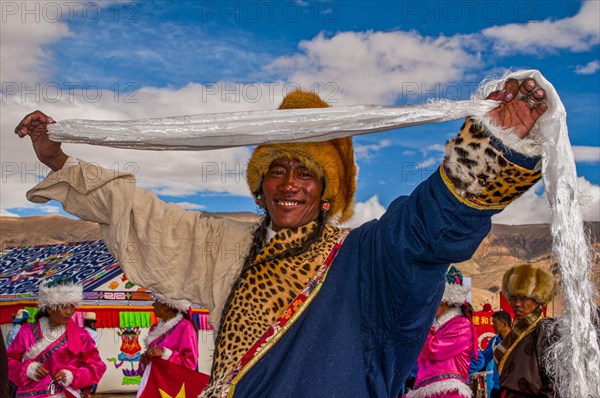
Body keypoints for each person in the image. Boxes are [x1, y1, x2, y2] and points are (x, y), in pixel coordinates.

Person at [16, 77, 548, 397]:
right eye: (277, 169)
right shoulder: (227, 249)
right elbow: (141, 214)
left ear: (327, 189)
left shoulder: (365, 257)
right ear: (260, 182)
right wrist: (61, 160)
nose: (289, 183)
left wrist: (492, 145)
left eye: (306, 173)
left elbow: (429, 227)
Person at [7, 276, 107, 397]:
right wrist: (27, 369)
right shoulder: (26, 332)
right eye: (64, 307)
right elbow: (7, 362)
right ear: (49, 308)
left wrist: (71, 376)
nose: (69, 312)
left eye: (72, 306)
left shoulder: (80, 335)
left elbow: (97, 367)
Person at [406, 266, 477, 398]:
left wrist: (420, 325)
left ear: (446, 301)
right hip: (426, 391)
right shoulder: (435, 328)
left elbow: (433, 350)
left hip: (450, 393)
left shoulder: (462, 326)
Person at [495, 264, 557, 397]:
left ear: (537, 299)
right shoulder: (517, 333)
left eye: (523, 298)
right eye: (513, 298)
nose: (517, 304)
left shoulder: (546, 330)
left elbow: (554, 382)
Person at [139, 293, 199, 372]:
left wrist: (164, 353)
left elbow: (190, 365)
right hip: (156, 381)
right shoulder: (154, 328)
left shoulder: (185, 327)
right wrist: (145, 361)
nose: (153, 304)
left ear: (166, 306)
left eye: (156, 301)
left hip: (174, 383)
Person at [481, 311, 512, 398]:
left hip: (512, 388)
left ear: (504, 324)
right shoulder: (494, 341)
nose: (492, 325)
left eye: (495, 323)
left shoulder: (517, 340)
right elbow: (484, 358)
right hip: (497, 387)